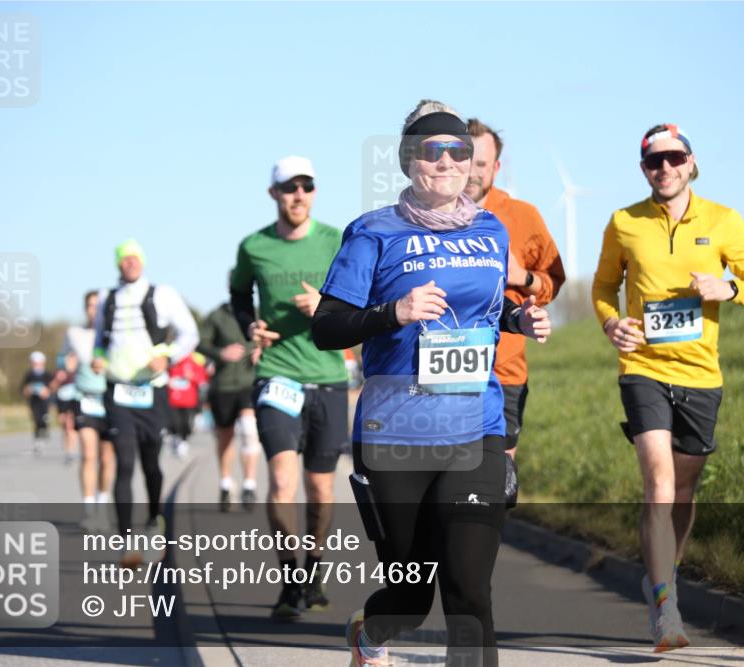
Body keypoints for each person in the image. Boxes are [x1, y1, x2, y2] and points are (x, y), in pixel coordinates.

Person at [311, 100, 550, 667]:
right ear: (407, 161)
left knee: (468, 590)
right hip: (395, 434)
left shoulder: (490, 231)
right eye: (431, 150)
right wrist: (392, 312)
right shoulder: (373, 232)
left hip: (477, 427)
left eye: (458, 150)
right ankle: (371, 634)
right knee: (411, 598)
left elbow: (484, 308)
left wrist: (518, 319)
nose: (446, 161)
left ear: (472, 162)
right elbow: (326, 327)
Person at [592, 123, 744, 652]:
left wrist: (729, 287)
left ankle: (666, 573)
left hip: (700, 374)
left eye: (675, 158)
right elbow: (604, 286)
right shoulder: (624, 222)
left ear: (691, 163)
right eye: (655, 161)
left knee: (683, 491)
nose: (665, 168)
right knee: (659, 481)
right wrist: (611, 323)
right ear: (643, 169)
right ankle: (663, 606)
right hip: (643, 367)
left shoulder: (723, 220)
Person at [230, 156, 349, 618]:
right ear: (273, 194)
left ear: (314, 192)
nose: (298, 195)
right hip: (277, 374)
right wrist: (250, 325)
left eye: (306, 186)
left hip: (328, 377)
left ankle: (314, 574)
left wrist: (325, 304)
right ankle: (290, 581)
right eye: (289, 187)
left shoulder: (336, 240)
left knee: (320, 487)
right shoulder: (254, 246)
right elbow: (239, 295)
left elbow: (361, 297)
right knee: (281, 479)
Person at [464, 118, 565, 509]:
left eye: (481, 164)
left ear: (496, 167)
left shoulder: (523, 216)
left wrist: (523, 277)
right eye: (465, 160)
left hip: (503, 371)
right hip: (441, 371)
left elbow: (553, 280)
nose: (471, 172)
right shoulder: (429, 215)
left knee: (497, 486)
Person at [92, 239, 199, 566]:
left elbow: (189, 334)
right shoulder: (107, 298)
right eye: (124, 259)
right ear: (118, 264)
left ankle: (154, 520)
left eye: (135, 258)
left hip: (152, 390)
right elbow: (99, 340)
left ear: (142, 262)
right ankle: (126, 542)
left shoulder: (162, 294)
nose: (130, 263)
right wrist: (97, 358)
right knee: (124, 463)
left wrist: (167, 356)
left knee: (151, 462)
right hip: (119, 391)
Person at [197, 297, 261, 512]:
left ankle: (249, 484)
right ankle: (225, 484)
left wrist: (262, 350)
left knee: (249, 431)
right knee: (225, 437)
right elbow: (199, 343)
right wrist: (220, 353)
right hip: (222, 386)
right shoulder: (216, 316)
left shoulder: (257, 313)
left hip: (249, 383)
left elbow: (274, 338)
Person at [60, 290, 115, 531]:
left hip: (109, 400)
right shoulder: (75, 334)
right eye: (90, 306)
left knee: (107, 458)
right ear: (85, 309)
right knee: (89, 455)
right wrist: (65, 363)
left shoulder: (113, 335)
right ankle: (89, 510)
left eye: (98, 306)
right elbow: (61, 359)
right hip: (85, 399)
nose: (94, 310)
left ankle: (102, 506)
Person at [166, 352, 209, 458]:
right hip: (172, 400)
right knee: (174, 422)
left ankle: (183, 441)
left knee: (186, 423)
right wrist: (168, 381)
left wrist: (192, 376)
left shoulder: (195, 361)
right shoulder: (170, 360)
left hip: (188, 401)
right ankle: (175, 439)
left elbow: (203, 379)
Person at [21, 351, 53, 451]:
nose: (36, 365)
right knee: (36, 420)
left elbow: (53, 387)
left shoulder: (47, 374)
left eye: (38, 363)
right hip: (34, 401)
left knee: (44, 419)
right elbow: (23, 389)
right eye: (34, 363)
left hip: (45, 402)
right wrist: (27, 390)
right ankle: (38, 441)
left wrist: (47, 391)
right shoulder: (29, 375)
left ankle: (45, 430)